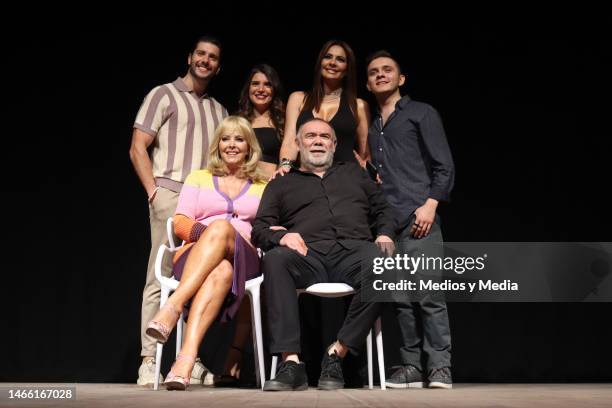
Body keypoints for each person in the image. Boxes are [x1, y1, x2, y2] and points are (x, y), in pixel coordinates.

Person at [252, 118, 396, 391]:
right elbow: (259, 228)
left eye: (324, 136)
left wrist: (385, 233)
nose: (317, 141)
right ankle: (291, 363)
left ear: (334, 144)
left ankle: (336, 354)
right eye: (310, 136)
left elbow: (383, 210)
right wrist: (282, 236)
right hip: (308, 254)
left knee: (384, 265)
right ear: (297, 144)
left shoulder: (355, 174)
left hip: (354, 252)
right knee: (274, 259)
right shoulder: (281, 184)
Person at [130, 35, 228, 387]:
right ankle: (149, 359)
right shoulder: (163, 94)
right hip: (170, 194)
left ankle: (189, 357)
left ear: (218, 65)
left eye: (213, 57)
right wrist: (154, 192)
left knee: (195, 277)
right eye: (200, 54)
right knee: (160, 275)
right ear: (190, 57)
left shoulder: (220, 110)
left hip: (205, 204)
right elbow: (138, 146)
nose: (205, 60)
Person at [145, 116, 267, 390]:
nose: (231, 145)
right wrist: (210, 238)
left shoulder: (262, 184)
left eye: (239, 139)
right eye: (225, 139)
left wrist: (221, 233)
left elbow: (266, 226)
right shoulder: (198, 178)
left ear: (249, 147)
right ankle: (185, 361)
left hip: (243, 257)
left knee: (222, 227)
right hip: (196, 257)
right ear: (217, 144)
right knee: (221, 269)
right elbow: (181, 222)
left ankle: (173, 307)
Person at [365, 50, 455, 389]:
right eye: (374, 72)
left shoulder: (421, 113)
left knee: (429, 295)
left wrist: (431, 204)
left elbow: (444, 165)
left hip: (420, 218)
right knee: (400, 299)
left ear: (401, 78)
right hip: (389, 222)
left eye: (388, 70)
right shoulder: (374, 127)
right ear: (368, 82)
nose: (381, 75)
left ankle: (440, 367)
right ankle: (412, 366)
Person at [278, 40, 370, 172]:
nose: (332, 62)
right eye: (328, 57)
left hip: (346, 179)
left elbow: (365, 154)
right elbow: (289, 142)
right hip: (307, 178)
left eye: (340, 59)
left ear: (347, 70)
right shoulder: (297, 99)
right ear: (320, 63)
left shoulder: (358, 105)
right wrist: (285, 166)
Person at [237, 64, 285, 179]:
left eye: (267, 85)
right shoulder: (238, 121)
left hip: (271, 186)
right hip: (242, 185)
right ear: (248, 88)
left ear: (274, 89)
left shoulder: (284, 121)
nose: (261, 89)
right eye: (255, 84)